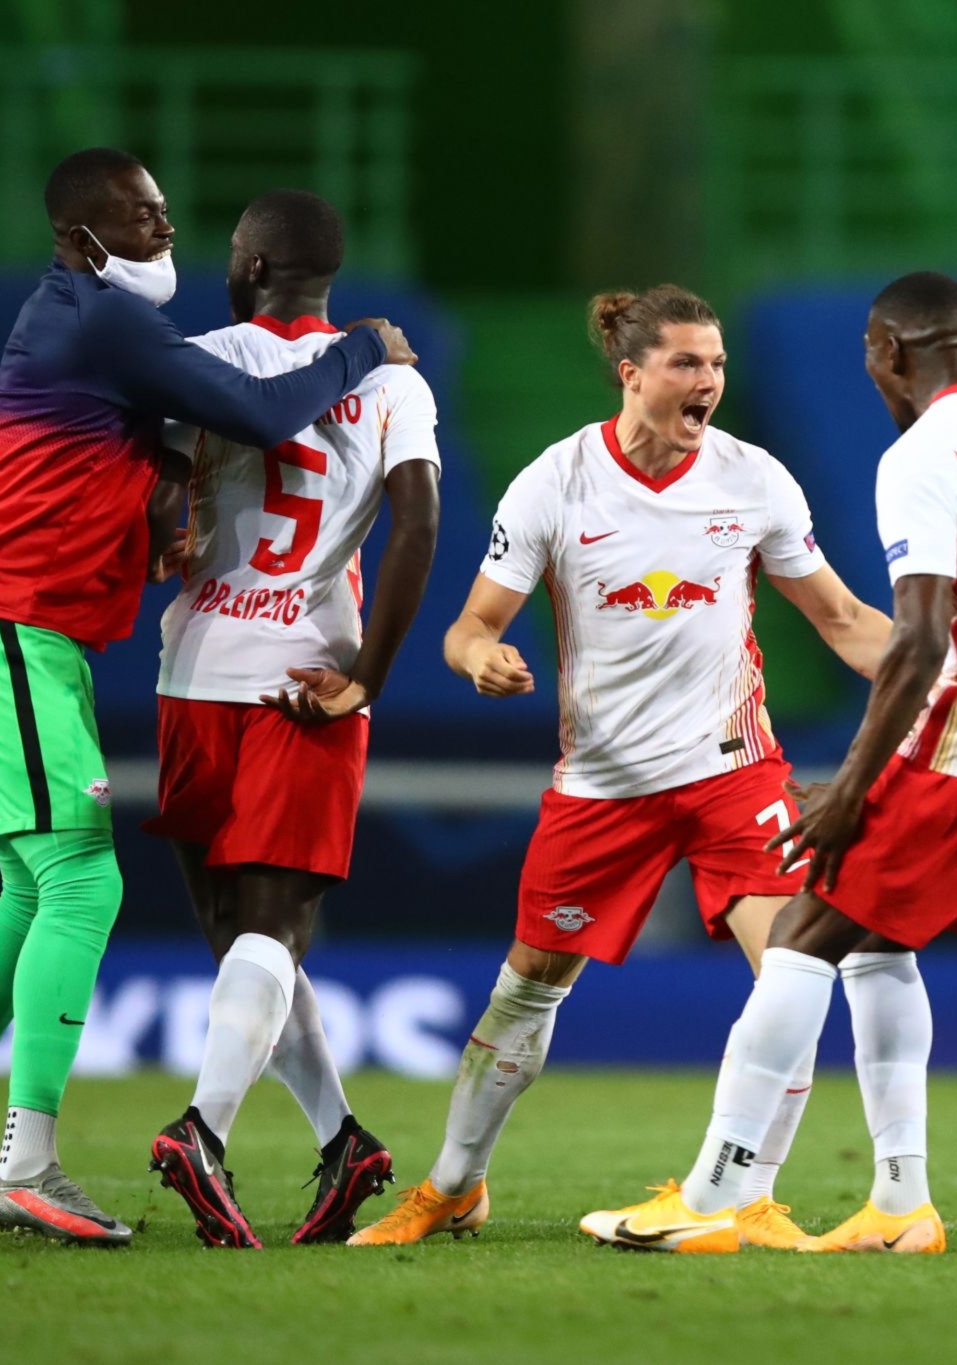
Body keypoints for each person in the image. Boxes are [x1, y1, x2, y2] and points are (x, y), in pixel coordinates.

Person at [0, 146, 414, 1245]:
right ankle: (28, 1163)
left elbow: (148, 455)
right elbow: (260, 415)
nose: (165, 234)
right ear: (80, 239)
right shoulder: (103, 320)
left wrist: (161, 522)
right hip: (5, 628)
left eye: (164, 213)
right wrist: (365, 346)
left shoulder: (97, 326)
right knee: (83, 881)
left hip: (23, 639)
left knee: (28, 894)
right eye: (140, 218)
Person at [581, 271, 957, 1254]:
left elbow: (918, 641)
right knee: (877, 946)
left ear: (887, 353)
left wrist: (856, 786)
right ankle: (896, 1203)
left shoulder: (925, 452)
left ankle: (709, 1200)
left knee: (799, 934)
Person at [346, 284, 891, 1251]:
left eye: (718, 364)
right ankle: (454, 1185)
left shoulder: (754, 477)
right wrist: (482, 658)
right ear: (632, 373)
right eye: (686, 363)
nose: (708, 382)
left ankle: (744, 1196)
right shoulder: (555, 482)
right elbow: (470, 625)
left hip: (736, 770)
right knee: (525, 991)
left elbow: (844, 621)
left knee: (797, 971)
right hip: (604, 784)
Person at [142, 189, 441, 1248]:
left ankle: (206, 1134)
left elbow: (152, 490)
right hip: (306, 680)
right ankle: (338, 1143)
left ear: (252, 263)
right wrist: (366, 672)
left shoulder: (199, 356)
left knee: (246, 941)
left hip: (195, 672)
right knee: (262, 945)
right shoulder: (393, 379)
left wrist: (167, 533)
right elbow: (417, 524)